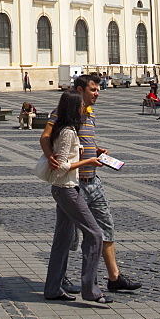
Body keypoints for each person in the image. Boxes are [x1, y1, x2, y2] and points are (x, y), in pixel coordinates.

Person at [40, 72, 142, 295]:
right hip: (73, 183)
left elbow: (82, 142)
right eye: (93, 90)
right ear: (79, 91)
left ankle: (114, 277)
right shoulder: (63, 112)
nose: (97, 93)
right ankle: (63, 279)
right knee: (69, 235)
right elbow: (45, 137)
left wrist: (96, 151)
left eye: (98, 89)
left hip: (93, 179)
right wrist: (50, 157)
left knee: (105, 226)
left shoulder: (90, 113)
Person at [43, 90, 111, 305]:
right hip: (66, 189)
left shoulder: (69, 130)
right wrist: (87, 163)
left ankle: (53, 288)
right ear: (74, 107)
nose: (85, 108)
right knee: (94, 234)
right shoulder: (68, 132)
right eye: (81, 105)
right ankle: (90, 289)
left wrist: (91, 152)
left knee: (62, 239)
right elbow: (61, 167)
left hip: (65, 188)